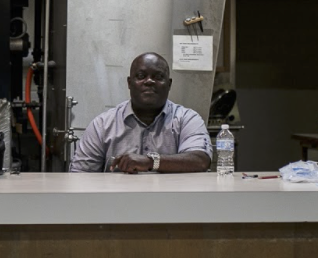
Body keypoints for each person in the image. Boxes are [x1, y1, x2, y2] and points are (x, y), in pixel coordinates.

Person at [69, 52, 212, 174]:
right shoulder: (102, 125)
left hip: (171, 198)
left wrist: (151, 162)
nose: (149, 81)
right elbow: (79, 176)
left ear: (169, 84)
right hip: (117, 198)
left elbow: (200, 160)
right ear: (129, 83)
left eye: (158, 77)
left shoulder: (187, 119)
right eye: (141, 75)